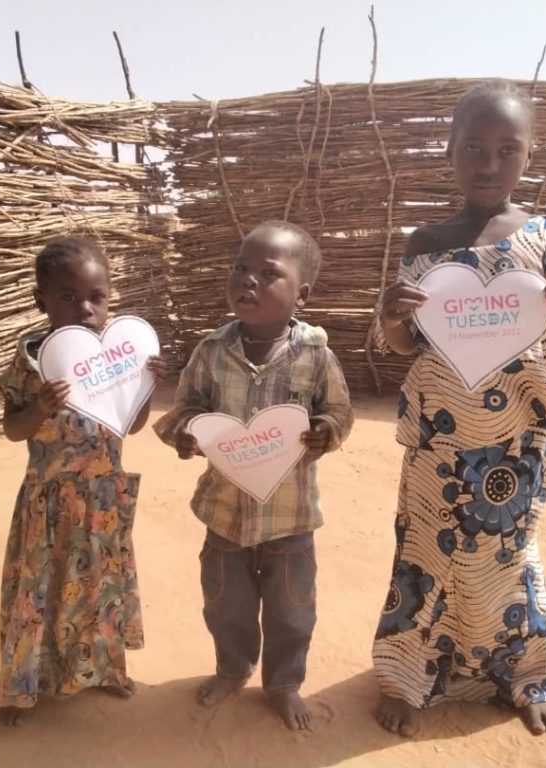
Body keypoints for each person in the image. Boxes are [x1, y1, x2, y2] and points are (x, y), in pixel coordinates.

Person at [371, 80, 546, 737]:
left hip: (519, 436)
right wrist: (390, 319)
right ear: (450, 151)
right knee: (424, 555)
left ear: (530, 154)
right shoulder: (425, 240)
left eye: (507, 148)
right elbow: (408, 342)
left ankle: (527, 673)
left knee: (508, 553)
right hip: (440, 433)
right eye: (473, 147)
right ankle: (408, 677)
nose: (489, 163)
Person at [154, 220, 353, 730]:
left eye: (268, 274)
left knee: (292, 610)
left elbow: (339, 411)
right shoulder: (210, 351)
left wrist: (324, 430)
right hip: (224, 514)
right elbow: (186, 406)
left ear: (301, 294)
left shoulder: (316, 356)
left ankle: (284, 683)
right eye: (241, 269)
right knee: (226, 605)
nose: (249, 281)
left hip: (290, 519)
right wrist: (184, 433)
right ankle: (232, 667)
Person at [0, 236, 166, 725]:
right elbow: (12, 430)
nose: (85, 308)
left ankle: (104, 672)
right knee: (38, 595)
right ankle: (21, 689)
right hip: (47, 504)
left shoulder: (118, 359)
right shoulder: (31, 362)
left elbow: (130, 425)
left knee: (99, 590)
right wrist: (40, 407)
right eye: (68, 296)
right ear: (41, 301)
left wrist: (146, 387)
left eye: (97, 296)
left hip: (101, 500)